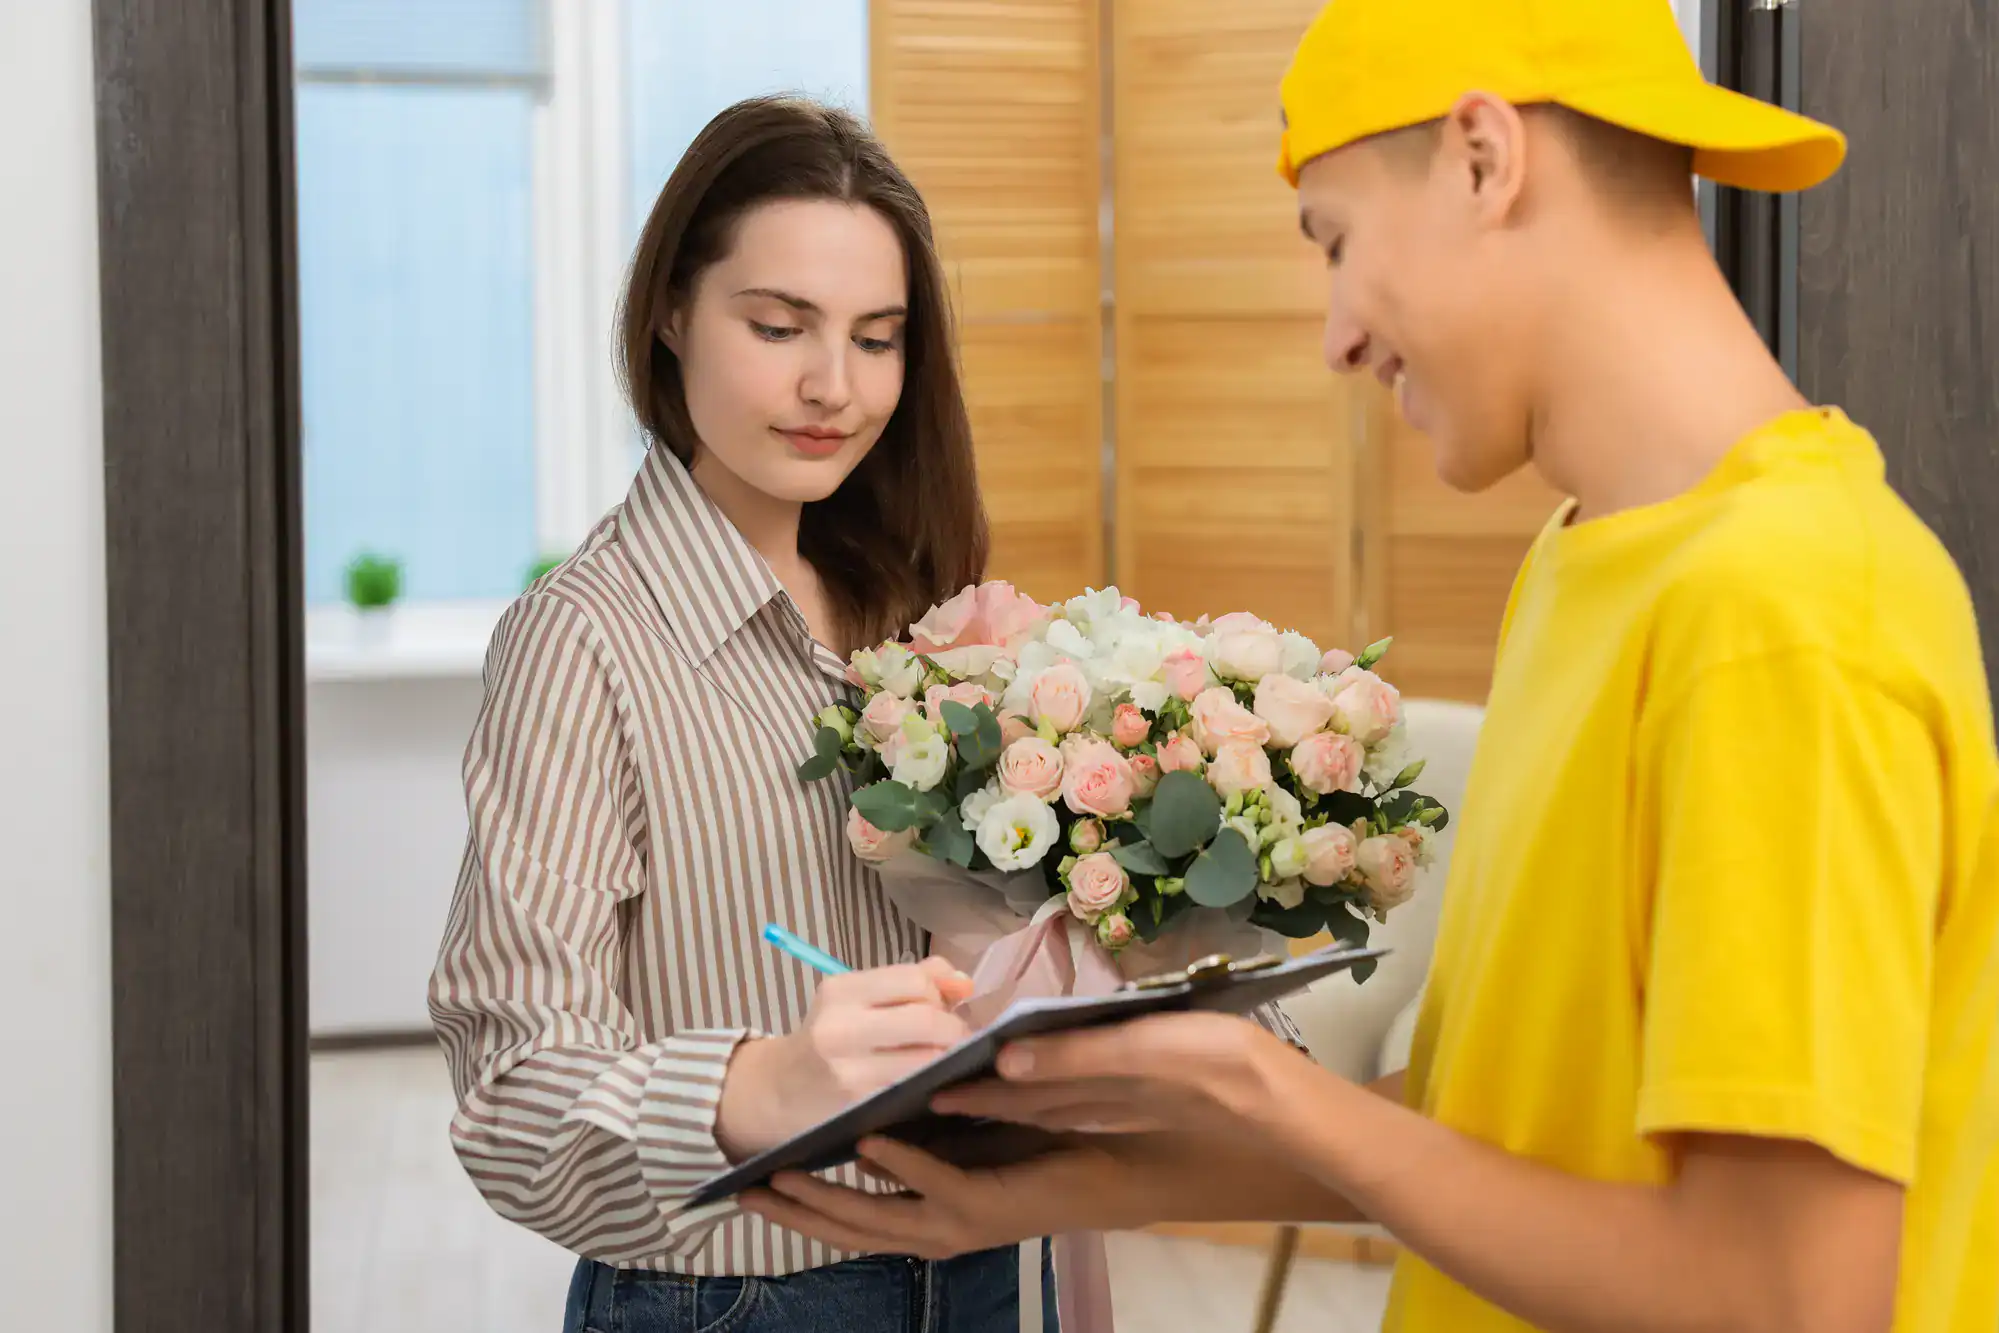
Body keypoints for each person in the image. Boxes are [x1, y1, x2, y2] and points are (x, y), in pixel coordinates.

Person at [738, 3, 1999, 1330]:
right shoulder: (1588, 564)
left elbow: (1785, 1299)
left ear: (1479, 158)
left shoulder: (1779, 610)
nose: (1335, 335)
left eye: (1334, 242)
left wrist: (1257, 1081)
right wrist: (1074, 1175)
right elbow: (1496, 1127)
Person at [427, 95, 1061, 1332]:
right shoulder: (585, 639)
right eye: (779, 326)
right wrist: (762, 1082)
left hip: (981, 1270)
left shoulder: (926, 614)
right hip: (741, 1301)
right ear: (670, 311)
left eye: (877, 340)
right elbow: (510, 1092)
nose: (833, 386)